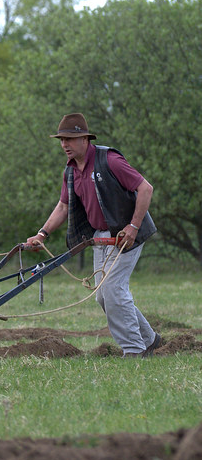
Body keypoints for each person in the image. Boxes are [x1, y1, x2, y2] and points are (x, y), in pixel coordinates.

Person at [24, 113, 161, 357]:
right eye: (61, 140)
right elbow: (63, 207)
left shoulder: (109, 160)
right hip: (100, 237)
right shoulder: (70, 172)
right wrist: (42, 234)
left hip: (125, 236)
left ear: (85, 139)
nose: (64, 144)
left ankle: (135, 351)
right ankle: (150, 340)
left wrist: (133, 226)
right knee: (103, 297)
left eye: (69, 139)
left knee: (113, 291)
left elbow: (145, 188)